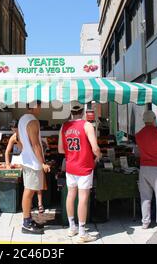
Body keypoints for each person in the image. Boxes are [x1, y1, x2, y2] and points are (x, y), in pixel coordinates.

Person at [58, 101, 102, 243]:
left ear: (71, 112)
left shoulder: (64, 126)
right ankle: (82, 232)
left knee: (71, 195)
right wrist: (98, 156)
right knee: (83, 198)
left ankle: (72, 227)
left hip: (71, 166)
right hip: (85, 166)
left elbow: (60, 150)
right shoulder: (87, 125)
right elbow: (95, 148)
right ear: (83, 112)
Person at [18, 100, 51, 234]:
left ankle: (28, 219)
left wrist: (24, 153)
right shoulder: (33, 121)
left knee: (28, 191)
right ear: (35, 106)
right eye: (40, 105)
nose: (41, 108)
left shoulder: (22, 119)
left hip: (26, 160)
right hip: (33, 162)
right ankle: (26, 222)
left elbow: (19, 141)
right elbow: (36, 144)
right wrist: (42, 162)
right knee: (29, 192)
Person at [5, 121, 47, 214]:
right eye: (13, 129)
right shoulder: (14, 137)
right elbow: (7, 151)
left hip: (36, 159)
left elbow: (37, 144)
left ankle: (40, 204)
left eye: (15, 128)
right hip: (26, 161)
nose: (14, 130)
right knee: (29, 185)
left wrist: (42, 161)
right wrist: (7, 164)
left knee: (38, 184)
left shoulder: (26, 134)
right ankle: (30, 204)